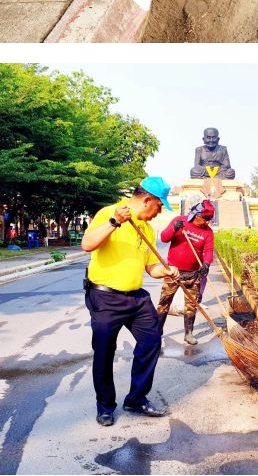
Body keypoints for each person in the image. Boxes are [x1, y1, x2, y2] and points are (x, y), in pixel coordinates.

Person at [81, 177, 179, 427]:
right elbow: (87, 244)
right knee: (104, 352)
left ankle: (136, 398)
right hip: (105, 298)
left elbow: (150, 267)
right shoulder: (108, 213)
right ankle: (105, 406)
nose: (158, 213)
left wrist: (166, 270)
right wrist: (115, 222)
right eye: (159, 207)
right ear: (148, 200)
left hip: (136, 298)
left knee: (151, 342)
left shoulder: (146, 228)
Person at [156, 199, 215, 345]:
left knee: (191, 304)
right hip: (173, 272)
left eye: (210, 219)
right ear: (197, 214)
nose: (208, 221)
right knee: (164, 302)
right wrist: (174, 229)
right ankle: (157, 332)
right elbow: (164, 238)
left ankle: (188, 334)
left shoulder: (208, 232)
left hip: (193, 274)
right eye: (206, 218)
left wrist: (206, 264)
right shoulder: (180, 221)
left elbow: (208, 251)